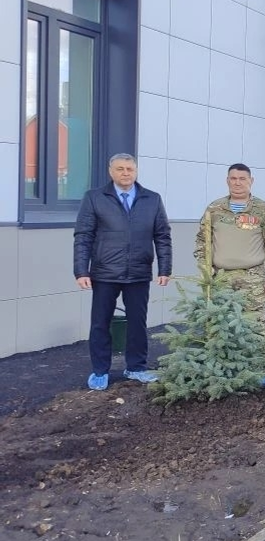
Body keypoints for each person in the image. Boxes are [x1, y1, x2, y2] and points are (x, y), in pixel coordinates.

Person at [73, 153, 172, 390]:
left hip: (138, 272)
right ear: (111, 171)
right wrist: (81, 271)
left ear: (136, 171)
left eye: (130, 168)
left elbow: (162, 236)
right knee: (100, 323)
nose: (125, 173)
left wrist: (165, 268)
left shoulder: (152, 199)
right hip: (104, 272)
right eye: (120, 169)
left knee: (138, 322)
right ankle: (100, 371)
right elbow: (83, 236)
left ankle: (136, 367)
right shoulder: (95, 198)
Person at [193, 164, 265, 344]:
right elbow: (202, 241)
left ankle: (263, 369)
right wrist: (205, 270)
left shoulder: (263, 210)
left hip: (253, 278)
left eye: (242, 179)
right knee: (219, 324)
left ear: (251, 181)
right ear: (227, 181)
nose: (237, 183)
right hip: (221, 278)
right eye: (233, 179)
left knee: (256, 325)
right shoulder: (214, 209)